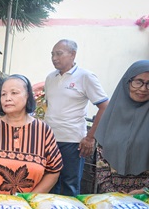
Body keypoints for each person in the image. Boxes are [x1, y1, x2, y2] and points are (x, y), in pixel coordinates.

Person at [0, 74, 63, 195]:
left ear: (27, 96)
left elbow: (54, 170)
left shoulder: (43, 131)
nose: (7, 98)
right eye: (3, 94)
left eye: (14, 93)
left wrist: (30, 199)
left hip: (29, 207)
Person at [44, 39, 109, 196]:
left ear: (73, 54)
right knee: (49, 184)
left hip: (72, 142)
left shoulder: (85, 76)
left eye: (59, 54)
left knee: (69, 186)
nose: (54, 58)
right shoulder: (50, 78)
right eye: (52, 54)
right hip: (48, 141)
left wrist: (90, 137)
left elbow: (105, 106)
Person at [94, 60, 149, 194]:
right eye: (138, 81)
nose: (143, 88)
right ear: (127, 82)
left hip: (147, 202)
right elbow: (101, 160)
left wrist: (146, 191)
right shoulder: (111, 117)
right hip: (111, 199)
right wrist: (113, 193)